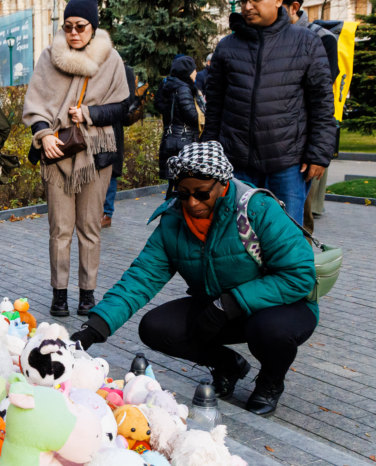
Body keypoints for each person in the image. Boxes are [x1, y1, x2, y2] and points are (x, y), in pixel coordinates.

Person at [70, 142, 318, 416]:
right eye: (184, 193)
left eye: (202, 194)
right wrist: (94, 328)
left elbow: (299, 276)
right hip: (219, 307)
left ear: (222, 184)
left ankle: (270, 382)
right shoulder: (174, 219)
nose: (192, 203)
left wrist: (230, 303)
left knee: (270, 331)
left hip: (282, 306)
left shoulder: (257, 210)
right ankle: (228, 365)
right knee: (156, 327)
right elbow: (141, 278)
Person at [201, 0, 334, 222]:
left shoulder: (306, 43)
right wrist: (210, 153)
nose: (248, 6)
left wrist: (319, 153)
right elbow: (215, 107)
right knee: (239, 239)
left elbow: (322, 104)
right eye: (244, 0)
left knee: (286, 240)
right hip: (237, 164)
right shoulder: (227, 47)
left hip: (288, 166)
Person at [24, 0, 129, 317]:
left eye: (80, 26)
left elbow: (122, 106)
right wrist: (43, 135)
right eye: (67, 26)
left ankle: (87, 293)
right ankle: (59, 294)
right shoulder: (48, 58)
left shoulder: (111, 60)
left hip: (96, 154)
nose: (73, 32)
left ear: (93, 27)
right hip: (57, 154)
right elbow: (35, 103)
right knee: (60, 229)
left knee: (89, 227)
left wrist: (87, 113)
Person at [281, 0, 338, 232]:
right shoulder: (266, 37)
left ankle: (300, 269)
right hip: (272, 143)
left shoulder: (321, 39)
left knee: (298, 218)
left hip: (301, 143)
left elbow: (322, 100)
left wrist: (317, 152)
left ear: (294, 6)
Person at [154, 55, 204, 194]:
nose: (196, 73)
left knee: (175, 184)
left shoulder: (172, 86)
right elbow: (192, 116)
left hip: (173, 139)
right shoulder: (184, 89)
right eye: (194, 70)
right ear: (187, 72)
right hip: (183, 140)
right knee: (182, 186)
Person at [101, 64, 138, 229]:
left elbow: (128, 100)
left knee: (111, 171)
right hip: (93, 124)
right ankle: (95, 211)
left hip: (113, 126)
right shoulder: (94, 67)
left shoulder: (124, 69)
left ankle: (106, 214)